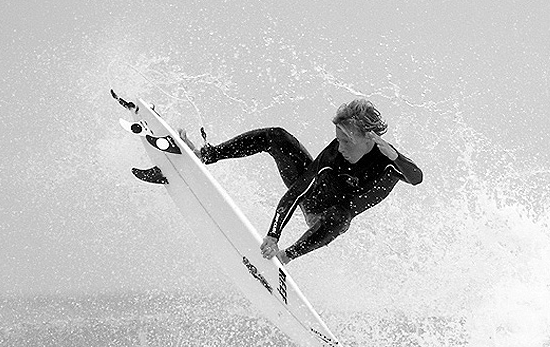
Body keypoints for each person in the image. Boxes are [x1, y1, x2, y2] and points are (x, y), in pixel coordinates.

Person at [179, 99, 423, 264]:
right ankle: (206, 155)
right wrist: (273, 235)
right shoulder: (333, 155)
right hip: (313, 197)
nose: (340, 146)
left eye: (347, 141)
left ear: (368, 138)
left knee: (340, 216)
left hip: (334, 215)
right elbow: (296, 192)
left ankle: (286, 258)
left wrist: (395, 155)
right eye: (338, 139)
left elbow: (416, 178)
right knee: (276, 136)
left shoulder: (390, 162)